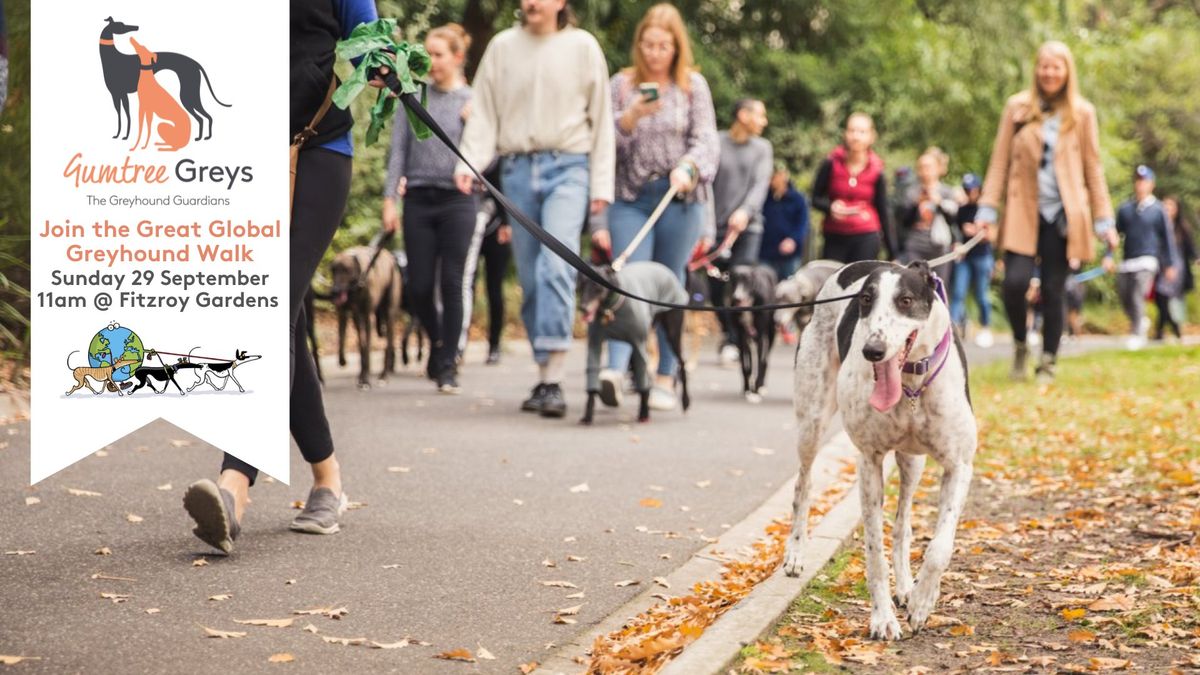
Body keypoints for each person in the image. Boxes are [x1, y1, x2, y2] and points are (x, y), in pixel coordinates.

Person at [183, 0, 382, 553]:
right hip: (238, 157)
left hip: (317, 150)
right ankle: (328, 477)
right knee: (285, 317)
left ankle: (234, 485)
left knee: (269, 305)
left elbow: (368, 37)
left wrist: (385, 62)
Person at [455, 0, 615, 418]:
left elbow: (602, 122)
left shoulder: (583, 46)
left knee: (556, 266)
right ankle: (544, 373)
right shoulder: (504, 47)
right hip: (517, 171)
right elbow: (485, 110)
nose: (531, 3)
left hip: (569, 167)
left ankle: (555, 379)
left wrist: (601, 186)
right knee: (529, 273)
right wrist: (467, 161)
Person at [589, 2, 719, 412]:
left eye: (663, 45)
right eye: (648, 44)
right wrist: (629, 118)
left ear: (676, 47)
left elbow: (707, 140)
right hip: (631, 198)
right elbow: (603, 144)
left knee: (667, 284)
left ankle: (664, 375)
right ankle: (615, 369)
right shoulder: (621, 85)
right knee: (625, 279)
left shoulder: (692, 86)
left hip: (678, 199)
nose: (654, 53)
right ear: (638, 45)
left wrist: (689, 166)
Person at [976, 40, 1119, 382]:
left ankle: (1049, 361)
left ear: (1067, 71)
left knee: (1055, 290)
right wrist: (986, 210)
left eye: (1057, 66)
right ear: (1036, 70)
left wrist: (1104, 220)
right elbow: (998, 163)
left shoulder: (1082, 113)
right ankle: (1022, 345)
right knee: (1014, 283)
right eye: (1044, 66)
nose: (1049, 72)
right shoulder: (1017, 109)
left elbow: (1093, 168)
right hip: (1023, 212)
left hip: (1064, 218)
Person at [383, 24, 475, 394]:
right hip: (418, 198)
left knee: (452, 283)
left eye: (439, 54)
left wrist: (474, 124)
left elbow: (487, 153)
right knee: (419, 286)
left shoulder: (473, 101)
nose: (432, 61)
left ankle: (448, 362)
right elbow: (398, 151)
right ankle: (439, 342)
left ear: (457, 57)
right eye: (428, 54)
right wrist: (390, 199)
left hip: (458, 200)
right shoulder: (413, 95)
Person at [708, 99, 772, 364]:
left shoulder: (762, 148)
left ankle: (737, 339)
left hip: (749, 227)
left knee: (739, 283)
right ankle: (728, 331)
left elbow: (761, 184)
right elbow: (706, 181)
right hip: (715, 228)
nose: (764, 121)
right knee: (715, 286)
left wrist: (746, 211)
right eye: (760, 115)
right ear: (743, 115)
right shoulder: (716, 142)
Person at [811, 112, 897, 264]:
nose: (856, 136)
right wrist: (831, 207)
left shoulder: (877, 170)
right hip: (834, 236)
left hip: (866, 235)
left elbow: (884, 209)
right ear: (845, 134)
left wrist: (892, 252)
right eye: (852, 130)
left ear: (871, 136)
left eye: (862, 132)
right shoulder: (830, 163)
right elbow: (815, 198)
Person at [1114, 165, 1179, 350]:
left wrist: (1170, 264)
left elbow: (1167, 238)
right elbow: (1115, 235)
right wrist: (1109, 256)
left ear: (1151, 184)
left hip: (1148, 260)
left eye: (1144, 181)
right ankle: (1140, 320)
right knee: (1125, 295)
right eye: (1138, 181)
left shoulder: (1158, 210)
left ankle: (1137, 334)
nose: (1140, 185)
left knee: (1137, 295)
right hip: (1128, 260)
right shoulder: (1125, 209)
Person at [949, 173, 995, 347]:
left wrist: (977, 232)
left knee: (982, 294)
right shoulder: (962, 210)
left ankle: (985, 326)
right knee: (958, 292)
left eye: (972, 189)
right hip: (965, 257)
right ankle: (952, 328)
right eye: (966, 189)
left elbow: (992, 235)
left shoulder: (986, 210)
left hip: (982, 256)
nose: (970, 192)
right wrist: (958, 242)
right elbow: (957, 232)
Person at [473, 163, 512, 365]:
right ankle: (458, 343)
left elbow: (505, 189)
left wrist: (506, 223)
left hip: (497, 230)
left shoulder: (499, 159)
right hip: (469, 227)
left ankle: (494, 345)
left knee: (494, 289)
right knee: (465, 287)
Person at [900, 149, 958, 282]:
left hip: (939, 245)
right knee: (913, 283)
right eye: (921, 167)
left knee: (939, 283)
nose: (925, 171)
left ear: (938, 168)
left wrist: (939, 203)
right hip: (915, 244)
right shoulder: (911, 191)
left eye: (929, 167)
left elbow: (953, 221)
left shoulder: (947, 192)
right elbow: (904, 222)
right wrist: (916, 204)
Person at [759, 166, 810, 281]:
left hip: (789, 254)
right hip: (766, 252)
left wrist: (793, 240)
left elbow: (802, 224)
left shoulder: (798, 199)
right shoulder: (764, 198)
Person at [1161, 195, 1197, 338]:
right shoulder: (1159, 225)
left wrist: (1197, 258)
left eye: (1171, 206)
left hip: (1178, 267)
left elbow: (1191, 247)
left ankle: (1173, 327)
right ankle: (1169, 328)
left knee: (1172, 297)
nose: (1167, 209)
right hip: (1161, 267)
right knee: (1161, 297)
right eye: (1165, 205)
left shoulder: (1181, 227)